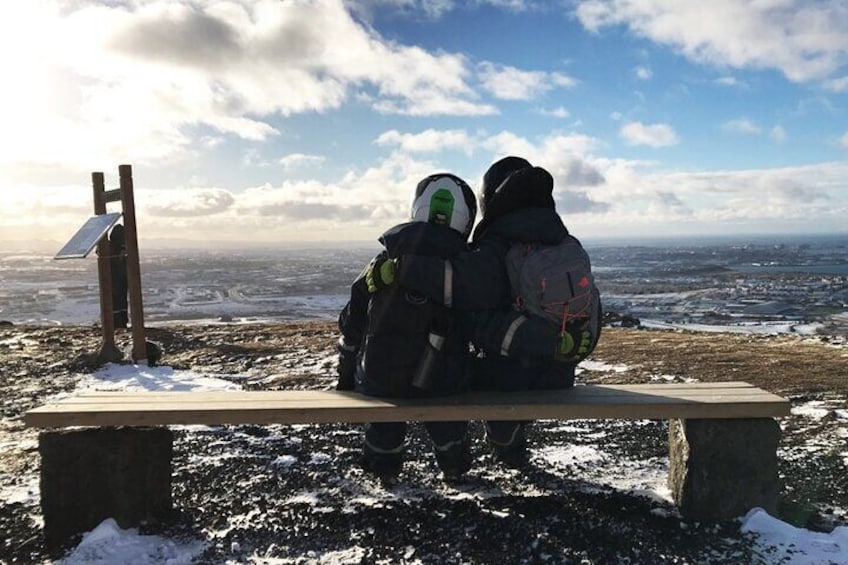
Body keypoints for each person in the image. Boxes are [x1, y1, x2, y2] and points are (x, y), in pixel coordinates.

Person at [372, 157, 601, 467]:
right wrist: (564, 349)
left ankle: (498, 444)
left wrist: (402, 269)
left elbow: (458, 286)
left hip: (511, 377)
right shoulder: (562, 240)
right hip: (560, 374)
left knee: (457, 367)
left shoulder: (499, 245)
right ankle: (507, 444)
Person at [336, 173, 479, 484]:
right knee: (449, 420)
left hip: (382, 379)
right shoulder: (467, 268)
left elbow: (352, 323)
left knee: (384, 418)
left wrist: (346, 376)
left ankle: (383, 470)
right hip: (446, 383)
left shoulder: (385, 259)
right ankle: (454, 466)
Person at [109, 224, 129, 329]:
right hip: (115, 279)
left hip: (120, 279)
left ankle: (121, 322)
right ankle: (117, 323)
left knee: (121, 302)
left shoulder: (118, 247)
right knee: (116, 302)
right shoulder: (110, 247)